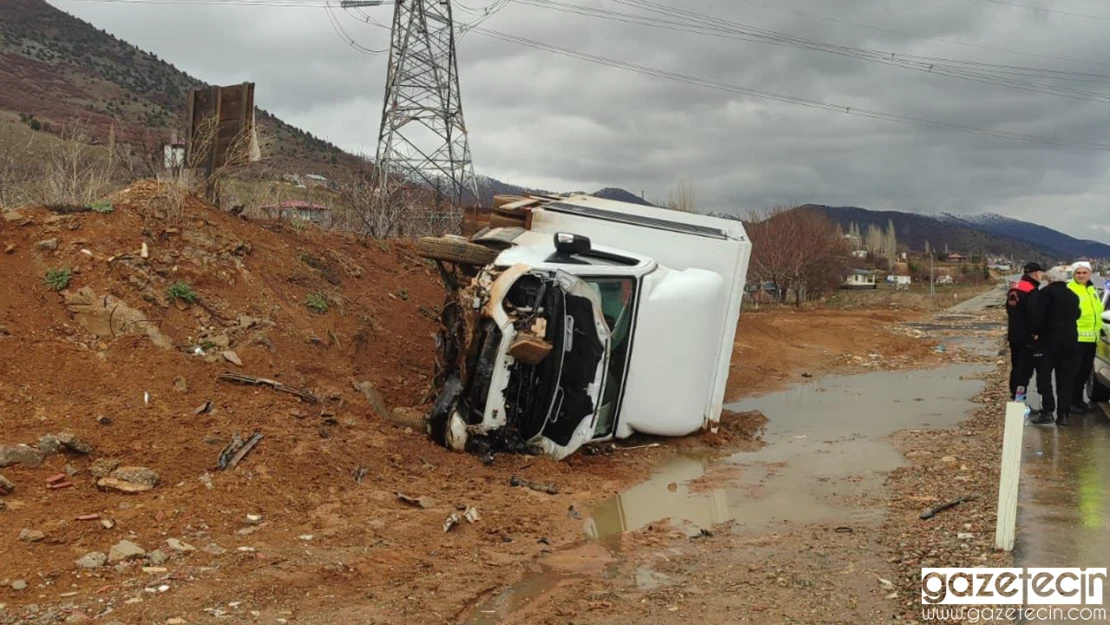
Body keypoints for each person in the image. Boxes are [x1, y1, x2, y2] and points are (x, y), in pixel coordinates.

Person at [1030, 266, 1080, 425]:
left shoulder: (1045, 293)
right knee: (1065, 379)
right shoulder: (1073, 295)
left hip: (1048, 341)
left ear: (1049, 279)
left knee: (1044, 377)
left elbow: (1038, 316)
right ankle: (1063, 414)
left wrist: (1035, 332)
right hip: (1070, 341)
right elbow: (1077, 314)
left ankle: (1047, 410)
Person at [1068, 261, 1105, 412]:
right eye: (1078, 273)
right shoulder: (1070, 289)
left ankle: (1078, 400)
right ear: (1074, 274)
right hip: (1076, 339)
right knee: (1073, 373)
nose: (1081, 275)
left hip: (1092, 339)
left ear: (1090, 274)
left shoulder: (1092, 289)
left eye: (1084, 273)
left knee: (1084, 372)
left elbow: (1097, 313)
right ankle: (1069, 403)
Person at [1007, 262, 1045, 400]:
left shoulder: (1014, 287)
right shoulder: (1031, 291)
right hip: (1027, 337)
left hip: (1013, 335)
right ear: (1036, 274)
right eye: (1041, 273)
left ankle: (1014, 395)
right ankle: (1019, 399)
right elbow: (1035, 314)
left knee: (1016, 367)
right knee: (1024, 371)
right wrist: (1036, 332)